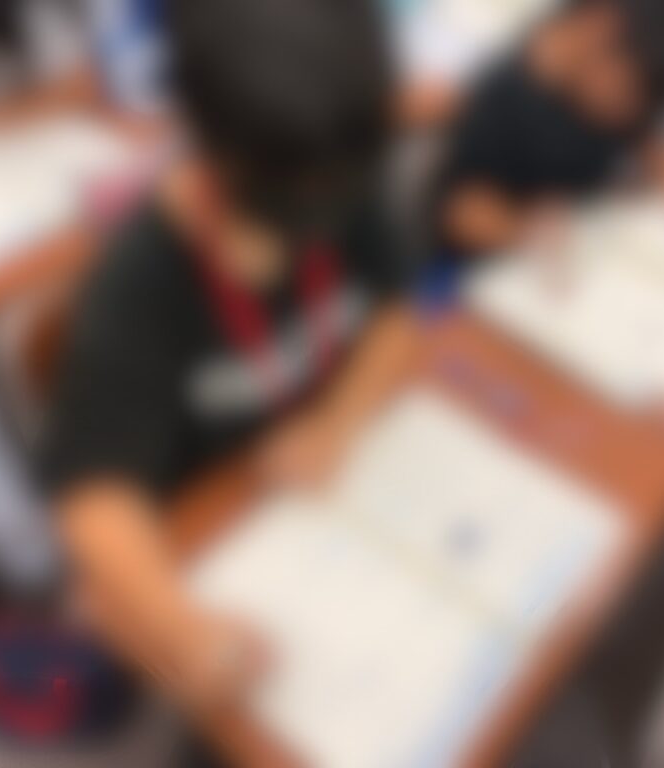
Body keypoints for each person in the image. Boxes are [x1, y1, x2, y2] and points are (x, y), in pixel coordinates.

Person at [41, 0, 415, 728]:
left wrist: (338, 423)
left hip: (316, 495)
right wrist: (180, 625)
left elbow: (400, 313)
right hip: (207, 538)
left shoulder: (343, 174)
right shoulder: (141, 281)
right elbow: (94, 495)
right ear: (216, 151)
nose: (324, 213)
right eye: (299, 200)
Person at [431, 0, 664, 260]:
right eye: (631, 89)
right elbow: (460, 213)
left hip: (591, 244)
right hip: (502, 265)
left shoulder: (614, 95)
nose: (628, 107)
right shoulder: (508, 94)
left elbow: (639, 133)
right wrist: (524, 230)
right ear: (601, 27)